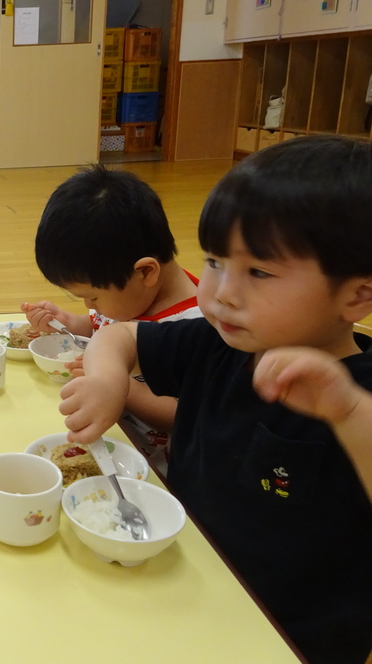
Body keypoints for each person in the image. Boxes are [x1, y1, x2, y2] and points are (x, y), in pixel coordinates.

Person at [59, 135, 372, 664]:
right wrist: (111, 383)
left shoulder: (359, 390)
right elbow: (120, 337)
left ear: (357, 295)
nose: (221, 290)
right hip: (182, 575)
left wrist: (347, 411)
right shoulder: (219, 341)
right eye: (215, 261)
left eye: (260, 272)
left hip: (285, 637)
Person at [21, 163, 200, 469]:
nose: (91, 307)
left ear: (145, 272)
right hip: (109, 440)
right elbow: (100, 325)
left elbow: (190, 416)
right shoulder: (131, 299)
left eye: (93, 297)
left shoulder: (197, 326)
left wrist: (121, 388)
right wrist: (67, 321)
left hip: (152, 472)